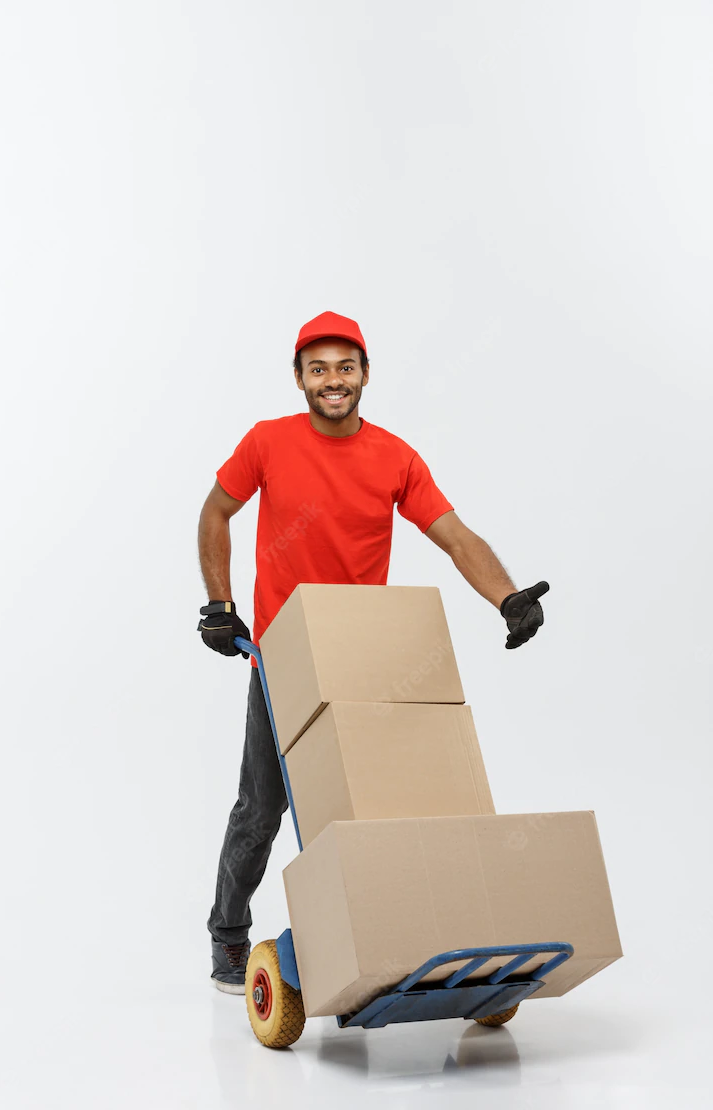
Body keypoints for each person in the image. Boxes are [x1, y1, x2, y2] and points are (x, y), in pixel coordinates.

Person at [197, 310, 548, 993]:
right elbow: (216, 511)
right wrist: (219, 604)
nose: (334, 380)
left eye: (346, 366)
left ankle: (383, 938)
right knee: (263, 810)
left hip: (363, 657)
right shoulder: (268, 442)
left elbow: (455, 537)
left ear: (364, 374)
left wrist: (507, 597)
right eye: (319, 368)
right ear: (299, 379)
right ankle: (229, 937)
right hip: (284, 659)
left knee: (373, 806)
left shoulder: (395, 456)